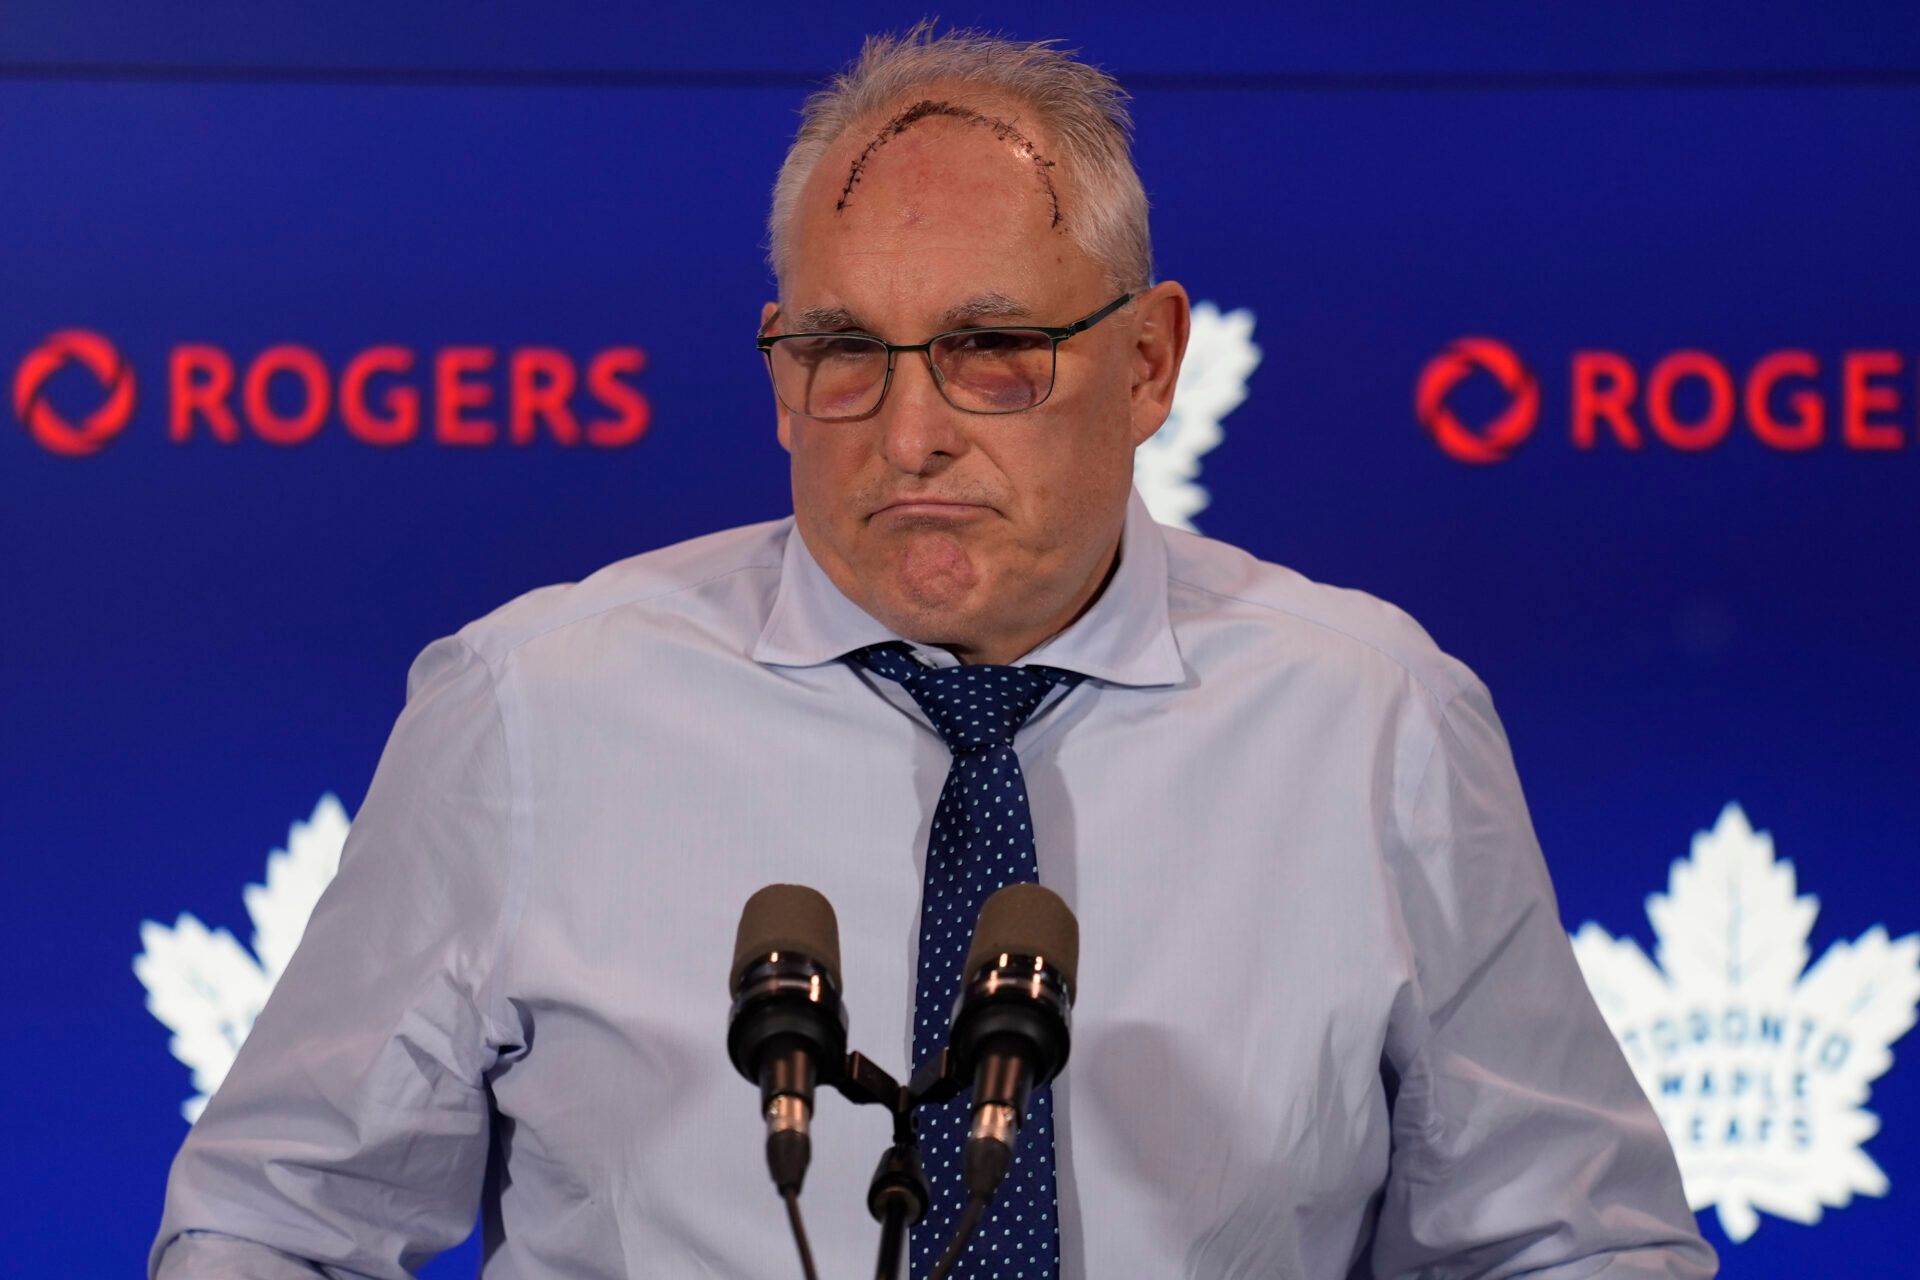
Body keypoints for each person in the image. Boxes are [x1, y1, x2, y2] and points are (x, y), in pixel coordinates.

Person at [152, 25, 1717, 1280]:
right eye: (843, 352)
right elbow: (273, 1226)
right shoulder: (533, 710)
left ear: (1151, 359)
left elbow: (1567, 1242)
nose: (910, 433)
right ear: (778, 376)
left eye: (990, 351)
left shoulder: (1372, 721)